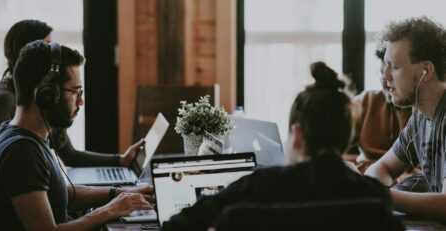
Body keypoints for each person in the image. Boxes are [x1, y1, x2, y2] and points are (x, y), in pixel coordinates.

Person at [161, 62, 394, 231]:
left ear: (297, 135)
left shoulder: (259, 185)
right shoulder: (374, 196)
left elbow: (176, 227)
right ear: (347, 136)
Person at [0, 40, 154, 230]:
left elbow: (63, 193)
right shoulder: (22, 152)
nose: (80, 101)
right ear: (47, 94)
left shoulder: (19, 135)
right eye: (75, 91)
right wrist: (109, 211)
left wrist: (122, 193)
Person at [0, 19, 142, 168]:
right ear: (28, 51)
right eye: (47, 46)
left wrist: (120, 160)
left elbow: (69, 155)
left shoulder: (51, 97)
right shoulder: (5, 100)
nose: (55, 57)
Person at [365, 16, 446, 221]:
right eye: (385, 66)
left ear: (425, 71)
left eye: (395, 67)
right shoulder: (420, 116)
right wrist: (375, 190)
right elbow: (382, 167)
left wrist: (381, 195)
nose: (385, 77)